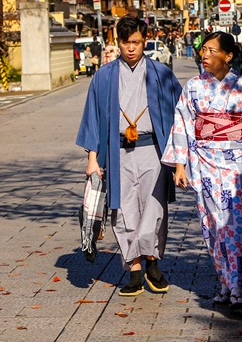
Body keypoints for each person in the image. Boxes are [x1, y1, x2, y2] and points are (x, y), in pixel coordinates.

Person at [161, 31, 242, 307]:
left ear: (228, 56)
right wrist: (180, 165)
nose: (205, 55)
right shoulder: (193, 87)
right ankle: (224, 282)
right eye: (203, 49)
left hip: (236, 168)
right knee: (211, 225)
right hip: (203, 163)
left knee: (236, 226)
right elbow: (182, 124)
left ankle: (237, 284)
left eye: (212, 50)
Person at [76, 16, 183, 296]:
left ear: (145, 41)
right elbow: (93, 117)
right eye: (126, 43)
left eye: (136, 42)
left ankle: (152, 262)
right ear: (118, 43)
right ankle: (134, 267)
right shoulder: (104, 76)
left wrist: (181, 157)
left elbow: (180, 116)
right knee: (122, 210)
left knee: (154, 207)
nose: (131, 48)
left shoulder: (161, 73)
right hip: (118, 151)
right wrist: (92, 159)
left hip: (154, 151)